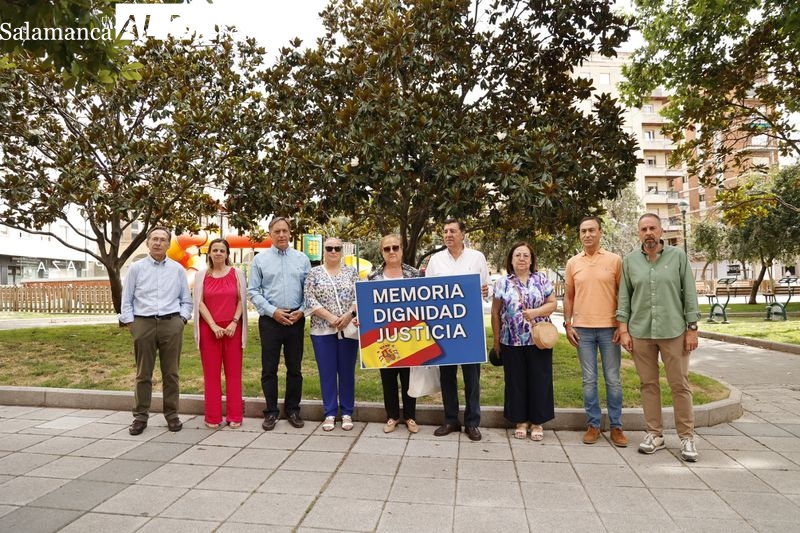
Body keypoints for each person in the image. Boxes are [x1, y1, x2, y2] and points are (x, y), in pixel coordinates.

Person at [617, 213, 701, 462]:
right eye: (644, 229)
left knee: (680, 384)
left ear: (661, 231)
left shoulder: (678, 257)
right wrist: (623, 330)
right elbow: (625, 297)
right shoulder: (630, 261)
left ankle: (686, 437)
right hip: (641, 332)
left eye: (653, 228)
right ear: (639, 233)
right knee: (648, 385)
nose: (648, 232)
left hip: (674, 331)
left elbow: (689, 294)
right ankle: (655, 434)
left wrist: (692, 328)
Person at [119, 226, 192, 436]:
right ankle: (140, 417)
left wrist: (182, 320)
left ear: (169, 245)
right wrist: (133, 324)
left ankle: (172, 415)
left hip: (171, 324)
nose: (158, 242)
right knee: (143, 374)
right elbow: (127, 300)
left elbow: (186, 300)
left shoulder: (177, 269)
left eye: (162, 240)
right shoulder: (136, 268)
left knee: (171, 374)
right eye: (154, 239)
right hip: (144, 324)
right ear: (148, 242)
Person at [564, 217, 627, 447]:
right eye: (583, 231)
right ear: (579, 235)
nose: (587, 234)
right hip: (582, 330)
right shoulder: (573, 263)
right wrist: (568, 324)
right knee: (589, 380)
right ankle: (593, 425)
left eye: (591, 230)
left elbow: (623, 295)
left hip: (610, 328)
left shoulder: (615, 260)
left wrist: (622, 325)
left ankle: (616, 427)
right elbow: (569, 295)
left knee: (613, 379)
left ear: (600, 232)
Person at [425, 218, 489, 441]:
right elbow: (427, 293)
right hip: (444, 329)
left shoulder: (477, 258)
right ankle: (451, 419)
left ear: (463, 234)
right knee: (447, 376)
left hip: (470, 328)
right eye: (445, 231)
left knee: (472, 378)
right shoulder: (435, 260)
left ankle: (472, 422)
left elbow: (485, 290)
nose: (448, 235)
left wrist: (484, 290)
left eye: (453, 231)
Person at [248, 216, 311, 431]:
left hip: (295, 319)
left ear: (290, 233)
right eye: (277, 231)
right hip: (271, 320)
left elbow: (309, 291)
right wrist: (272, 311)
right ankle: (271, 412)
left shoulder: (302, 259)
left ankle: (293, 410)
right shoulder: (260, 260)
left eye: (285, 231)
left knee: (295, 368)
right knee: (269, 368)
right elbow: (253, 291)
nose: (282, 235)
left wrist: (302, 311)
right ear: (270, 235)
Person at [491, 242, 557, 441]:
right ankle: (519, 421)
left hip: (538, 340)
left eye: (525, 255)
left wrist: (535, 312)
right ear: (511, 259)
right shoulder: (502, 283)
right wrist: (496, 340)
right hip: (510, 340)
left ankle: (537, 422)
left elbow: (552, 304)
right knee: (515, 382)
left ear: (531, 260)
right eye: (517, 255)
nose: (521, 258)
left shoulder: (542, 280)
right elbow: (495, 312)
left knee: (540, 381)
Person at [304, 237, 360, 431]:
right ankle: (329, 412)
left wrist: (348, 315)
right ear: (323, 250)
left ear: (342, 251)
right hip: (322, 329)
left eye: (337, 248)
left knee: (346, 372)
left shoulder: (351, 272)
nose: (333, 251)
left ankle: (346, 412)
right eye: (329, 248)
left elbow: (358, 296)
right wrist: (330, 318)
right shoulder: (314, 273)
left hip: (348, 328)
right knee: (327, 373)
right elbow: (309, 299)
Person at [367, 234, 421, 434]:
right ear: (382, 252)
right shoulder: (373, 277)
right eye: (386, 249)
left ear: (401, 249)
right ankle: (391, 416)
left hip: (410, 337)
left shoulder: (414, 274)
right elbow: (368, 306)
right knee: (388, 378)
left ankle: (410, 417)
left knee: (409, 379)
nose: (391, 252)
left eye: (395, 248)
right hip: (383, 337)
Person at [193, 238, 248, 429]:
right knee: (211, 374)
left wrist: (234, 322)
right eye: (214, 250)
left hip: (233, 329)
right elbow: (199, 303)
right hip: (210, 330)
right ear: (209, 253)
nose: (218, 253)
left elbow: (242, 300)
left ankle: (235, 415)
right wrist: (213, 325)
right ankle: (213, 416)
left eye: (222, 250)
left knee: (234, 374)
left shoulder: (237, 274)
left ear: (227, 254)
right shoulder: (201, 276)